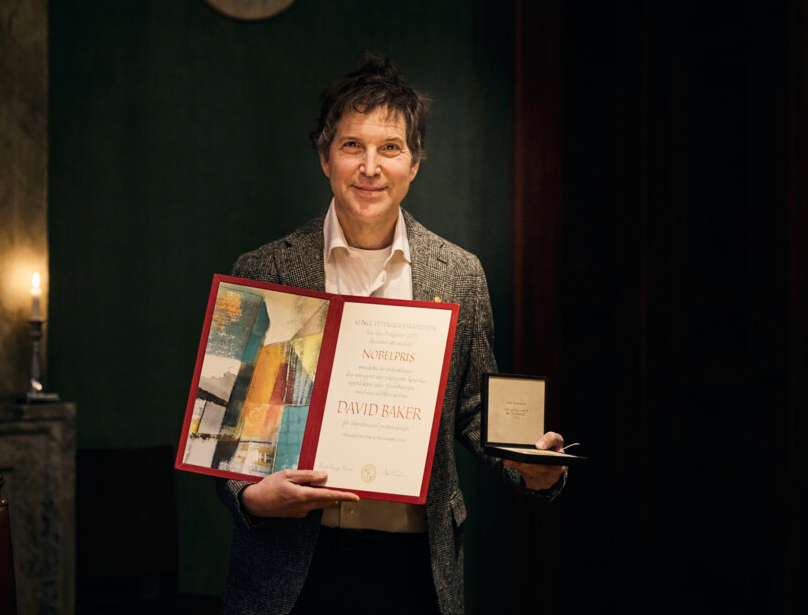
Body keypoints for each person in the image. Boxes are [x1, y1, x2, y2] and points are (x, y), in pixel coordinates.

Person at [215, 55, 567, 614]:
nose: (370, 166)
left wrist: (530, 465)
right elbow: (225, 431)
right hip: (295, 561)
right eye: (352, 145)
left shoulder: (458, 274)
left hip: (414, 564)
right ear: (324, 157)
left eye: (390, 147)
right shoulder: (264, 270)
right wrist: (253, 499)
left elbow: (474, 407)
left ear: (414, 163)